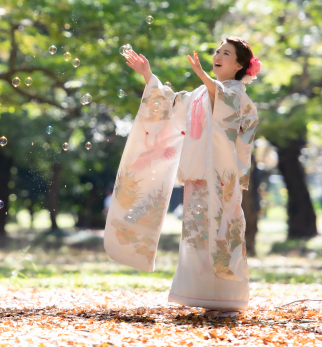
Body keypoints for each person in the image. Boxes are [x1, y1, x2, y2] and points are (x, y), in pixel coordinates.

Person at [104, 37, 261, 319]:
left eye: (226, 53)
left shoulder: (235, 93)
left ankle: (228, 300)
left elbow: (223, 99)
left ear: (239, 65)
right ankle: (204, 296)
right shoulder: (201, 93)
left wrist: (202, 74)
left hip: (221, 180)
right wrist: (148, 76)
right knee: (197, 236)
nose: (218, 55)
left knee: (222, 233)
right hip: (198, 176)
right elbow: (171, 105)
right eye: (217, 51)